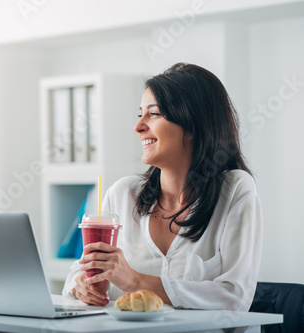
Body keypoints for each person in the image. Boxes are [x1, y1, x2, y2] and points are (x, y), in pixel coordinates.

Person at [62, 63, 263, 311]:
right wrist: (82, 285)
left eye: (153, 114)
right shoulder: (123, 194)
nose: (138, 126)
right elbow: (77, 274)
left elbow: (235, 296)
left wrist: (134, 281)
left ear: (193, 126)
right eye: (140, 114)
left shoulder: (235, 190)